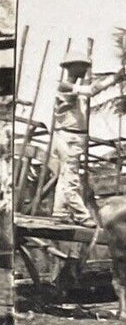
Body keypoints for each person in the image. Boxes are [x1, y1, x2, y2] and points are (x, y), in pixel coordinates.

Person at [51, 54, 124, 223]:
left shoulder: (76, 90)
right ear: (72, 67)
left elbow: (89, 91)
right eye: (82, 66)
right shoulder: (65, 87)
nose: (85, 69)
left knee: (65, 176)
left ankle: (59, 212)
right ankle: (81, 216)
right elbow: (92, 90)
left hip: (73, 138)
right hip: (68, 138)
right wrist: (115, 77)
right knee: (72, 178)